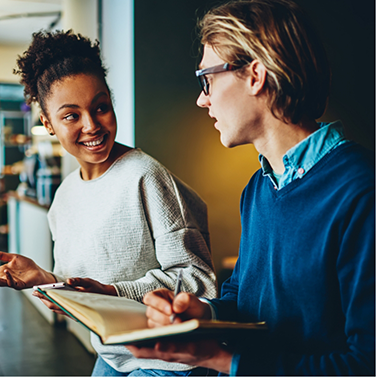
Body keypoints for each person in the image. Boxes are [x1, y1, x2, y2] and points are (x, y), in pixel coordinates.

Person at [126, 0, 375, 375]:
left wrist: (218, 359)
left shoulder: (360, 190)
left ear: (255, 75)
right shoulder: (257, 189)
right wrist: (202, 311)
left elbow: (365, 364)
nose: (201, 98)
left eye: (206, 79)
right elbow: (243, 300)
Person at [0, 30, 217, 376]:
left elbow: (198, 282)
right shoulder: (63, 199)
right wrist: (44, 279)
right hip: (115, 355)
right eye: (71, 115)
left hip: (170, 361)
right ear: (48, 123)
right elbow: (89, 297)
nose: (91, 125)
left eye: (101, 107)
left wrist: (115, 291)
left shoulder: (144, 176)